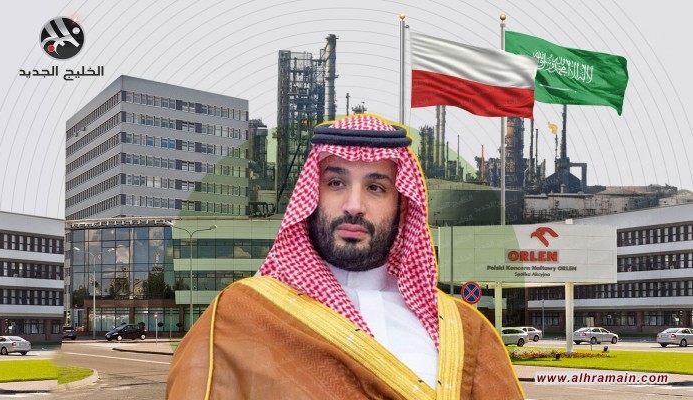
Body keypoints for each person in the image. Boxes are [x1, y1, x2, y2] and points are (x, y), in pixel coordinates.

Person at [166, 114, 524, 399]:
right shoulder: (241, 316)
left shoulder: (465, 330)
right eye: (336, 183)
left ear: (402, 205)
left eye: (375, 187)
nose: (354, 205)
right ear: (312, 195)